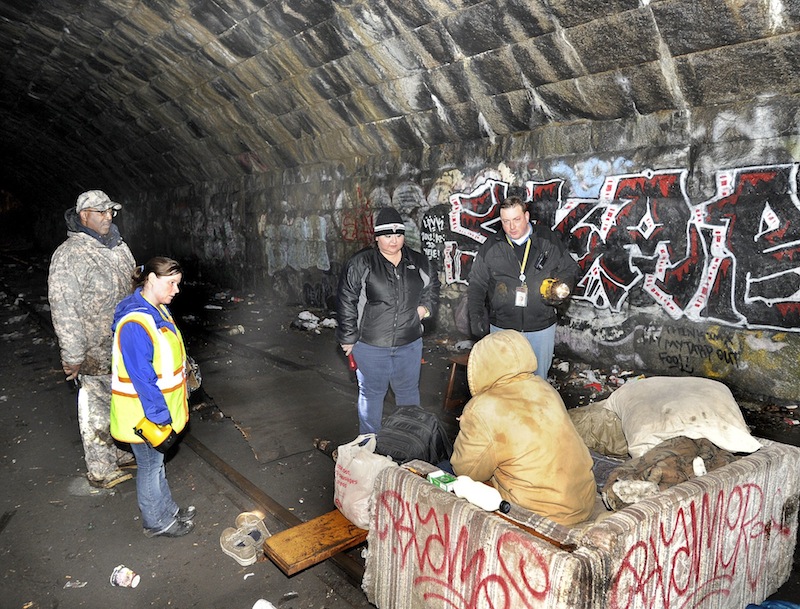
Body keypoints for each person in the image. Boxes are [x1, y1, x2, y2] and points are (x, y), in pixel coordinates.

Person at [450, 330, 596, 526]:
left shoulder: (483, 408)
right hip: (583, 502)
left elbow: (466, 470)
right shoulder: (544, 388)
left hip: (541, 514)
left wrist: (467, 428)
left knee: (449, 476)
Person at [48, 190, 136, 489]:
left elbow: (133, 285)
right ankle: (100, 468)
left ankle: (119, 452)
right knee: (96, 408)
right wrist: (72, 354)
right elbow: (64, 307)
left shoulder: (119, 247)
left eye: (111, 211)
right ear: (84, 215)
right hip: (94, 348)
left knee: (121, 402)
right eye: (102, 212)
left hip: (124, 344)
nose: (109, 217)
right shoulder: (69, 255)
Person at [110, 257, 195, 538]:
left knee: (157, 466)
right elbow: (142, 378)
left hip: (155, 411)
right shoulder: (136, 323)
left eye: (177, 284)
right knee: (149, 468)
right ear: (151, 280)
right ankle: (156, 523)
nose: (176, 290)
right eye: (171, 283)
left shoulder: (158, 310)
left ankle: (167, 510)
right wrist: (159, 417)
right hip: (143, 414)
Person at [336, 207, 440, 434]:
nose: (394, 241)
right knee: (372, 395)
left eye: (398, 235)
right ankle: (368, 445)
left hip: (409, 344)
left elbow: (431, 289)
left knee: (409, 394)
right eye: (387, 236)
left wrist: (424, 310)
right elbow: (347, 299)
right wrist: (348, 337)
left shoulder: (419, 261)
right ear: (377, 237)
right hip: (371, 345)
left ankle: (410, 442)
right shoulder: (362, 263)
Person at [467, 195, 580, 380]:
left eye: (516, 220)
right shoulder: (491, 246)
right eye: (506, 221)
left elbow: (570, 268)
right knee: (503, 383)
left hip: (540, 328)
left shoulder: (547, 240)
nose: (512, 227)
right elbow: (477, 284)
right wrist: (476, 316)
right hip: (503, 329)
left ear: (526, 217)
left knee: (537, 383)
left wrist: (562, 288)